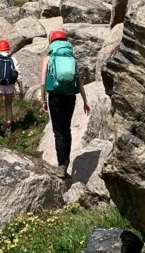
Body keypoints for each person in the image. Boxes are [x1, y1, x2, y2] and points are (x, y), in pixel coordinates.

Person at [41, 29, 91, 178]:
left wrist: (43, 99)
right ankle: (67, 160)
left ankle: (61, 165)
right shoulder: (71, 58)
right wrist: (85, 101)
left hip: (55, 96)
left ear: (51, 42)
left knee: (58, 132)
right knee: (67, 129)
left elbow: (43, 82)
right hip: (70, 96)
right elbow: (79, 81)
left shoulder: (48, 58)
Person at [0, 39, 24, 136]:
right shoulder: (13, 59)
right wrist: (21, 90)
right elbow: (18, 76)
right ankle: (8, 125)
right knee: (8, 106)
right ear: (8, 49)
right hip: (10, 86)